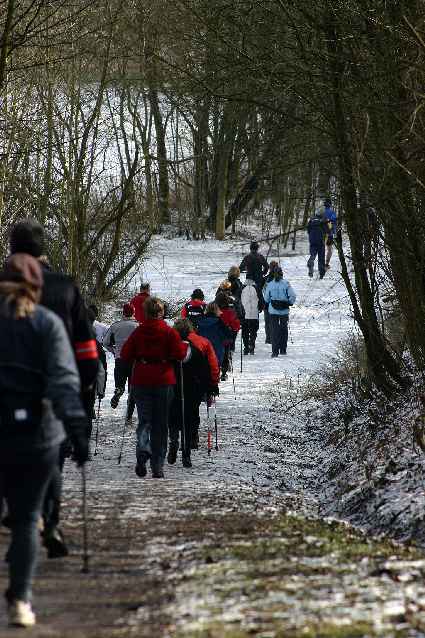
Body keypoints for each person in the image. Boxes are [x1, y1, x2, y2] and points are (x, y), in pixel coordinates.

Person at [0, 254, 88, 627]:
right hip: (37, 436)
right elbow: (64, 380)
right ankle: (20, 599)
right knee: (27, 519)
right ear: (36, 288)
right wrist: (76, 426)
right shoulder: (47, 324)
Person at [9, 219, 98, 559]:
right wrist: (84, 386)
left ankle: (23, 520)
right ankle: (49, 520)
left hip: (8, 386)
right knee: (52, 455)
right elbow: (86, 347)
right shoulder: (65, 287)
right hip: (54, 386)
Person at [120, 297, 189, 479]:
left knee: (145, 420)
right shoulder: (169, 332)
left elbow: (125, 354)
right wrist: (181, 348)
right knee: (161, 424)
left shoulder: (138, 332)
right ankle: (157, 465)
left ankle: (143, 448)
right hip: (163, 380)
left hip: (141, 379)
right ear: (161, 312)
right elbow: (180, 354)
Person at [168, 319, 219, 467]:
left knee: (172, 415)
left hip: (172, 386)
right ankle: (187, 450)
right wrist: (212, 384)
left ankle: (173, 441)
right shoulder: (200, 345)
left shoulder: (169, 345)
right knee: (189, 416)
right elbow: (209, 366)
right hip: (193, 387)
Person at [103, 304, 138, 419]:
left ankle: (118, 390)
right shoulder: (138, 326)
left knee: (120, 384)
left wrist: (114, 351)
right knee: (132, 388)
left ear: (123, 313)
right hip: (134, 361)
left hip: (120, 359)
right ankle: (129, 414)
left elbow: (105, 342)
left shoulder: (115, 326)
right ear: (133, 313)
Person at [263, 267, 296, 357]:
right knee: (283, 329)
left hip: (273, 311)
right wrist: (290, 302)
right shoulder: (286, 284)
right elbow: (293, 295)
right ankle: (283, 349)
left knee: (274, 331)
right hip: (284, 311)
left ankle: (275, 351)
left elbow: (266, 298)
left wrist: (267, 303)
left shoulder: (270, 285)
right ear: (282, 274)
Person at [196, 302, 233, 369]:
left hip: (202, 352)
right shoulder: (219, 323)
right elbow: (228, 337)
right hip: (216, 353)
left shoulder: (199, 321)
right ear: (216, 310)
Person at [215, 291, 240, 380]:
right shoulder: (230, 312)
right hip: (225, 338)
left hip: (214, 338)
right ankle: (224, 372)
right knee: (225, 355)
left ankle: (216, 371)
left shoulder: (214, 312)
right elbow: (235, 326)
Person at [241, 277, 264, 355]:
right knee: (253, 330)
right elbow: (261, 299)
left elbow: (238, 300)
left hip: (244, 314)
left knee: (245, 331)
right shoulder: (257, 288)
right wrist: (260, 308)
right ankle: (252, 345)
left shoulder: (242, 288)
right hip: (254, 313)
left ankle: (246, 347)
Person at [307, 210, 330, 279]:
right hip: (320, 241)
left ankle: (311, 259)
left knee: (313, 254)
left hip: (312, 240)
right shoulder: (323, 221)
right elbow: (327, 231)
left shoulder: (311, 220)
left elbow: (308, 230)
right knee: (321, 257)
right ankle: (321, 273)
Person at [262, 260, 279, 344]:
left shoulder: (266, 279)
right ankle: (274, 337)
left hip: (267, 302)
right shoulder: (279, 279)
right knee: (275, 321)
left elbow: (262, 289)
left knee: (267, 321)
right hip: (276, 303)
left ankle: (268, 338)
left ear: (270, 268)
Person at [323, 198, 337, 269]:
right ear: (330, 204)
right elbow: (334, 223)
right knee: (329, 249)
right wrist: (334, 232)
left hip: (320, 233)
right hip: (329, 234)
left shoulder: (319, 212)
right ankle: (326, 264)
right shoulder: (332, 212)